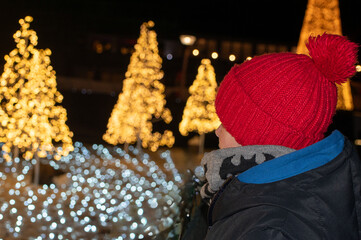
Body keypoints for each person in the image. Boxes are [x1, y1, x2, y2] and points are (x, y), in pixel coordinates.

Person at [200, 33, 361, 239]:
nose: (217, 130)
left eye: (227, 123)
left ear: (257, 137)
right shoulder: (270, 196)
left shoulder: (271, 230)